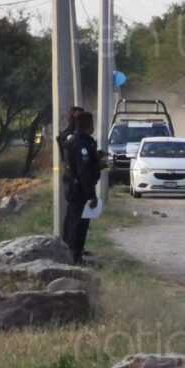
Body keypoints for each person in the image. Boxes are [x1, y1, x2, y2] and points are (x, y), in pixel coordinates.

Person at [64, 112, 101, 265]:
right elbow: (84, 171)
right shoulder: (81, 145)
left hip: (74, 188)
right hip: (79, 190)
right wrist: (91, 195)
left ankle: (74, 254)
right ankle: (74, 257)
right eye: (92, 124)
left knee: (73, 221)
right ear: (88, 125)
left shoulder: (75, 140)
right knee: (78, 224)